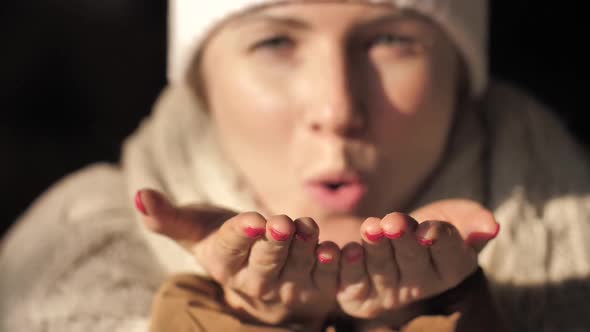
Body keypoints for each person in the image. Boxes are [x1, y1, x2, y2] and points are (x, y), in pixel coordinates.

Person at [1, 0, 589, 331]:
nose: (337, 108)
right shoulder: (65, 267)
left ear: (460, 77)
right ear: (204, 82)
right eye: (275, 43)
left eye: (389, 39)